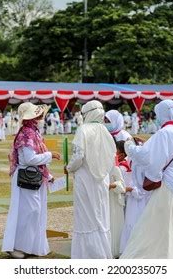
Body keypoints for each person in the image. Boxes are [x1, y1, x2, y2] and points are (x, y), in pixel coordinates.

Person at [121, 100, 173, 259]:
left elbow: (149, 158)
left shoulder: (166, 133)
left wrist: (129, 147)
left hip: (166, 191)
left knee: (150, 232)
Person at [2, 102, 60, 258]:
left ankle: (29, 246)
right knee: (29, 212)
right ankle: (15, 246)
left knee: (34, 212)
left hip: (34, 176)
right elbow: (29, 158)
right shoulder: (27, 133)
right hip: (26, 177)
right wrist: (50, 155)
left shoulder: (33, 132)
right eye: (37, 113)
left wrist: (48, 175)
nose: (41, 115)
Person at [65, 100, 116, 259]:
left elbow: (78, 156)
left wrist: (69, 167)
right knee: (100, 216)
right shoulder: (105, 131)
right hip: (102, 180)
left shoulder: (83, 129)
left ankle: (88, 256)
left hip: (86, 178)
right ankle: (102, 253)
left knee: (86, 217)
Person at [108, 160, 126, 258]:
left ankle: (114, 248)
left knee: (114, 222)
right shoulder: (98, 168)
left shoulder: (115, 168)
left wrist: (113, 185)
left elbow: (122, 186)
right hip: (104, 199)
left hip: (113, 200)